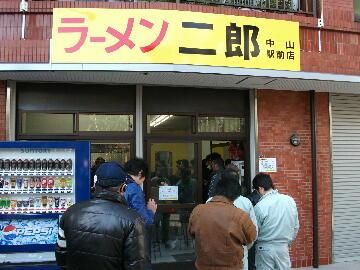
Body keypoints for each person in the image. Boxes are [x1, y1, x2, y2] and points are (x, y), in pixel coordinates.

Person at [55, 161, 146, 270]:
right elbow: (137, 265)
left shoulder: (70, 213)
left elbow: (61, 256)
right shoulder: (133, 220)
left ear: (94, 184)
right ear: (123, 188)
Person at [188, 168, 257, 270]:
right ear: (235, 195)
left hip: (203, 265)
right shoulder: (240, 215)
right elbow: (252, 237)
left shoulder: (198, 210)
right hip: (232, 266)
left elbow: (191, 233)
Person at [252, 173, 300, 270]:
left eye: (256, 191)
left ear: (260, 189)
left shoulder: (260, 206)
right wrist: (288, 242)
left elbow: (254, 231)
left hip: (264, 248)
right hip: (283, 248)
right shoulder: (290, 201)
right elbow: (296, 226)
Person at [123, 158, 157, 269]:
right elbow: (144, 221)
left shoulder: (121, 184)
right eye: (145, 176)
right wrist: (151, 211)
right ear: (140, 173)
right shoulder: (134, 188)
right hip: (134, 238)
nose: (144, 180)